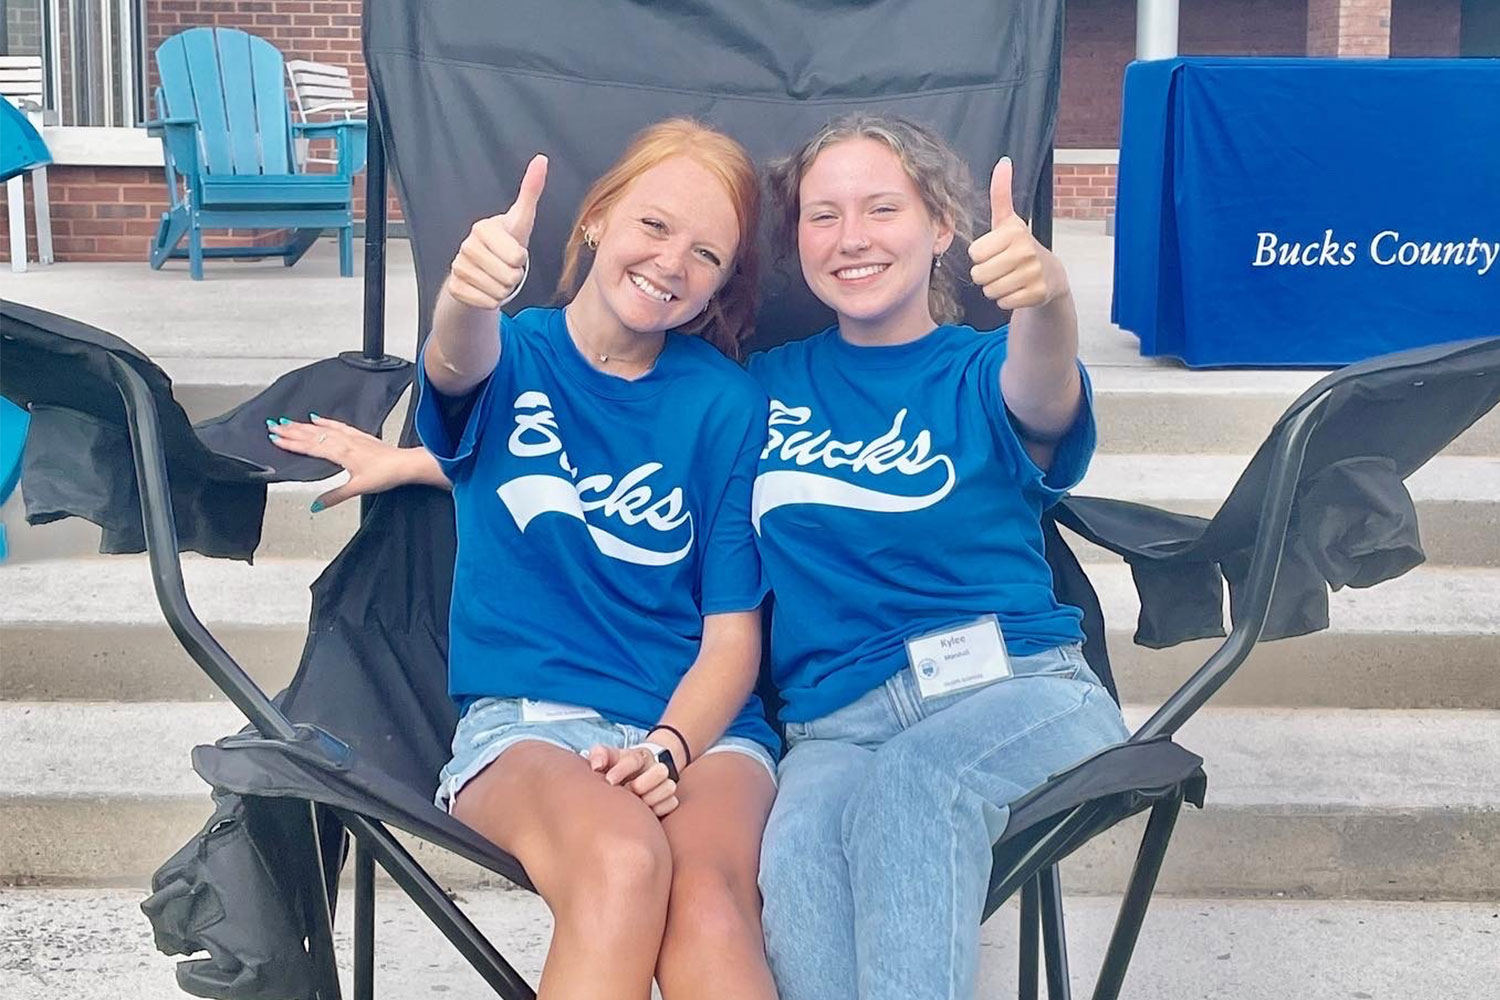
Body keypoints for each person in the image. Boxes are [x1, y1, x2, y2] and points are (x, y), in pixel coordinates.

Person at [273, 119, 781, 1000]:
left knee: (706, 904)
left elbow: (731, 637)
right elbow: (457, 365)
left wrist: (666, 748)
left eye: (706, 254)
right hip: (533, 725)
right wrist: (467, 297)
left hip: (699, 734)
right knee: (624, 861)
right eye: (654, 226)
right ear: (595, 220)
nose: (671, 263)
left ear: (719, 286)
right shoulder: (511, 355)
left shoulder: (728, 404)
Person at [747, 113, 1129, 999]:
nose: (851, 239)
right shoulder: (764, 386)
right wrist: (430, 460)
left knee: (916, 790)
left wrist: (1047, 298)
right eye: (823, 214)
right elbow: (624, 447)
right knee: (795, 857)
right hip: (832, 723)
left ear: (942, 228)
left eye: (883, 208)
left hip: (1016, 687)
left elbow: (1043, 383)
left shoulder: (983, 368)